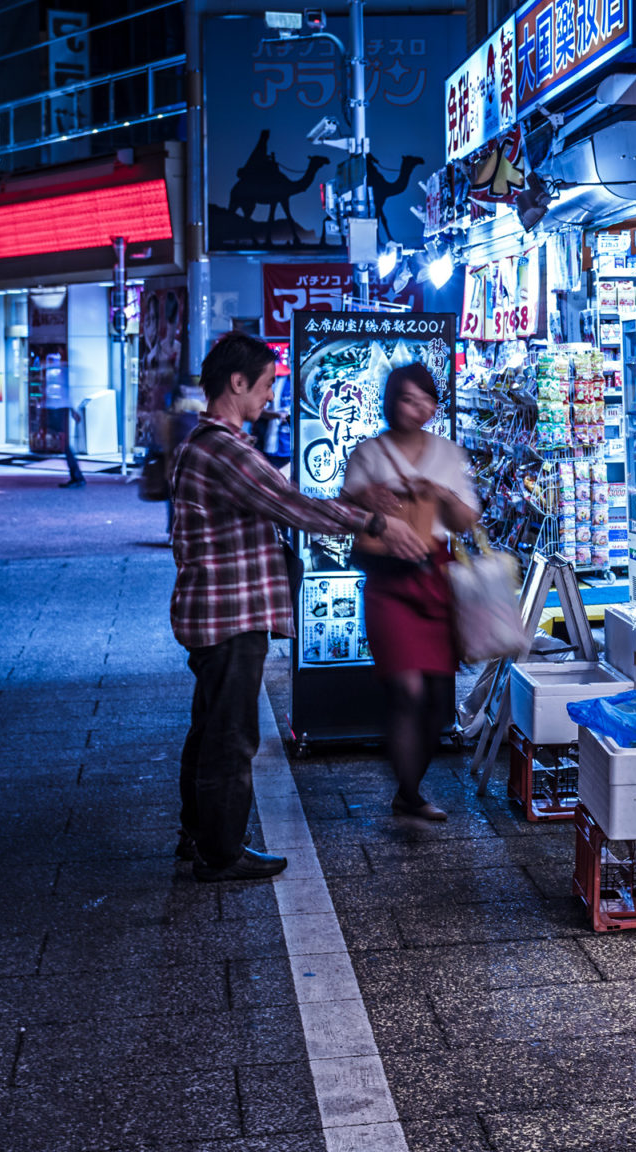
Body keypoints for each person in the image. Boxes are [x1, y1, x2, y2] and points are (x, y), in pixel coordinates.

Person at [170, 332, 427, 881]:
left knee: (210, 727)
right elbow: (290, 503)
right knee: (230, 735)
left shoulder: (208, 445)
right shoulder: (223, 448)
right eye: (265, 385)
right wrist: (374, 521)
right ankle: (220, 853)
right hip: (229, 614)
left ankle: (199, 833)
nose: (270, 398)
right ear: (236, 383)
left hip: (216, 610)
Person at [343, 363, 479, 822]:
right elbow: (343, 508)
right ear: (389, 401)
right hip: (389, 581)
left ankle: (409, 792)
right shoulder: (368, 453)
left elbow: (465, 520)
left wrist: (439, 494)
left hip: (436, 582)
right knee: (407, 688)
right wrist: (367, 499)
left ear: (435, 406)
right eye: (405, 397)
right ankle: (408, 788)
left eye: (424, 399)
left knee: (439, 701)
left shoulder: (448, 454)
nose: (415, 406)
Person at [40, 365, 84, 488]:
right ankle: (77, 476)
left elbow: (64, 394)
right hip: (57, 410)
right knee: (64, 445)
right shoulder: (56, 371)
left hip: (58, 410)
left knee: (65, 445)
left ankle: (77, 477)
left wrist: (72, 409)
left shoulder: (58, 371)